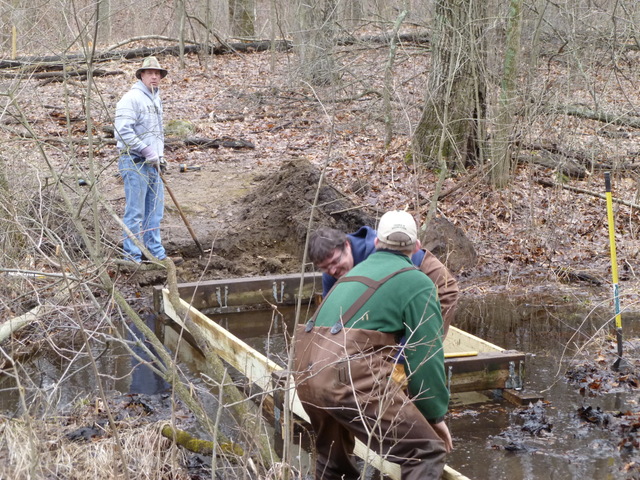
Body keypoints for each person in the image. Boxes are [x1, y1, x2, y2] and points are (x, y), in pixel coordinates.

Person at [294, 210, 452, 480]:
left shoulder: (349, 277)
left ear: (376, 242)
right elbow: (426, 353)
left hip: (304, 372)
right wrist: (435, 415)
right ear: (415, 248)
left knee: (333, 462)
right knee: (425, 451)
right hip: (343, 375)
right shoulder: (418, 282)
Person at [308, 221, 458, 337]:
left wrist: (403, 353)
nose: (332, 270)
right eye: (325, 268)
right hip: (396, 285)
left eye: (335, 262)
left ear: (347, 245)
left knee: (413, 343)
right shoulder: (331, 272)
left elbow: (392, 307)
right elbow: (329, 314)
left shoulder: (378, 254)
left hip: (423, 272)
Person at [114, 56, 181, 264]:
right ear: (141, 75)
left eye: (157, 73)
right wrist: (144, 149)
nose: (154, 76)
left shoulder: (156, 99)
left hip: (154, 163)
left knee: (154, 211)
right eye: (150, 72)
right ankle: (132, 256)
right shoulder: (131, 99)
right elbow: (122, 131)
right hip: (134, 161)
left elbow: (155, 132)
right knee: (135, 211)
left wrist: (159, 156)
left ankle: (155, 254)